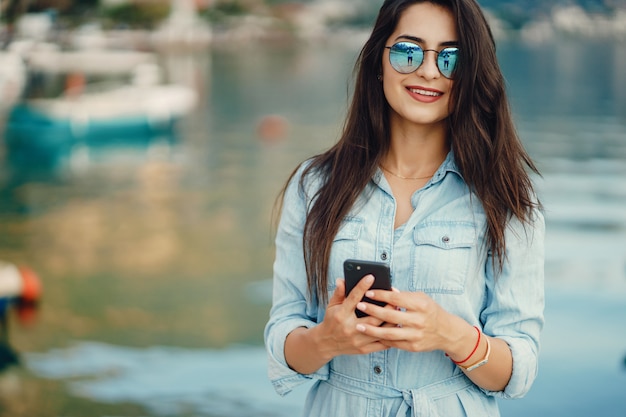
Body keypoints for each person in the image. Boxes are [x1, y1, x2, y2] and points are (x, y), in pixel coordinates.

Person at [264, 0, 545, 416]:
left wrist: (451, 334)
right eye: (408, 51)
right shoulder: (313, 186)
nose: (429, 71)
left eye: (451, 58)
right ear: (379, 60)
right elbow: (282, 340)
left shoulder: (506, 197)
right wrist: (328, 339)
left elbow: (518, 370)